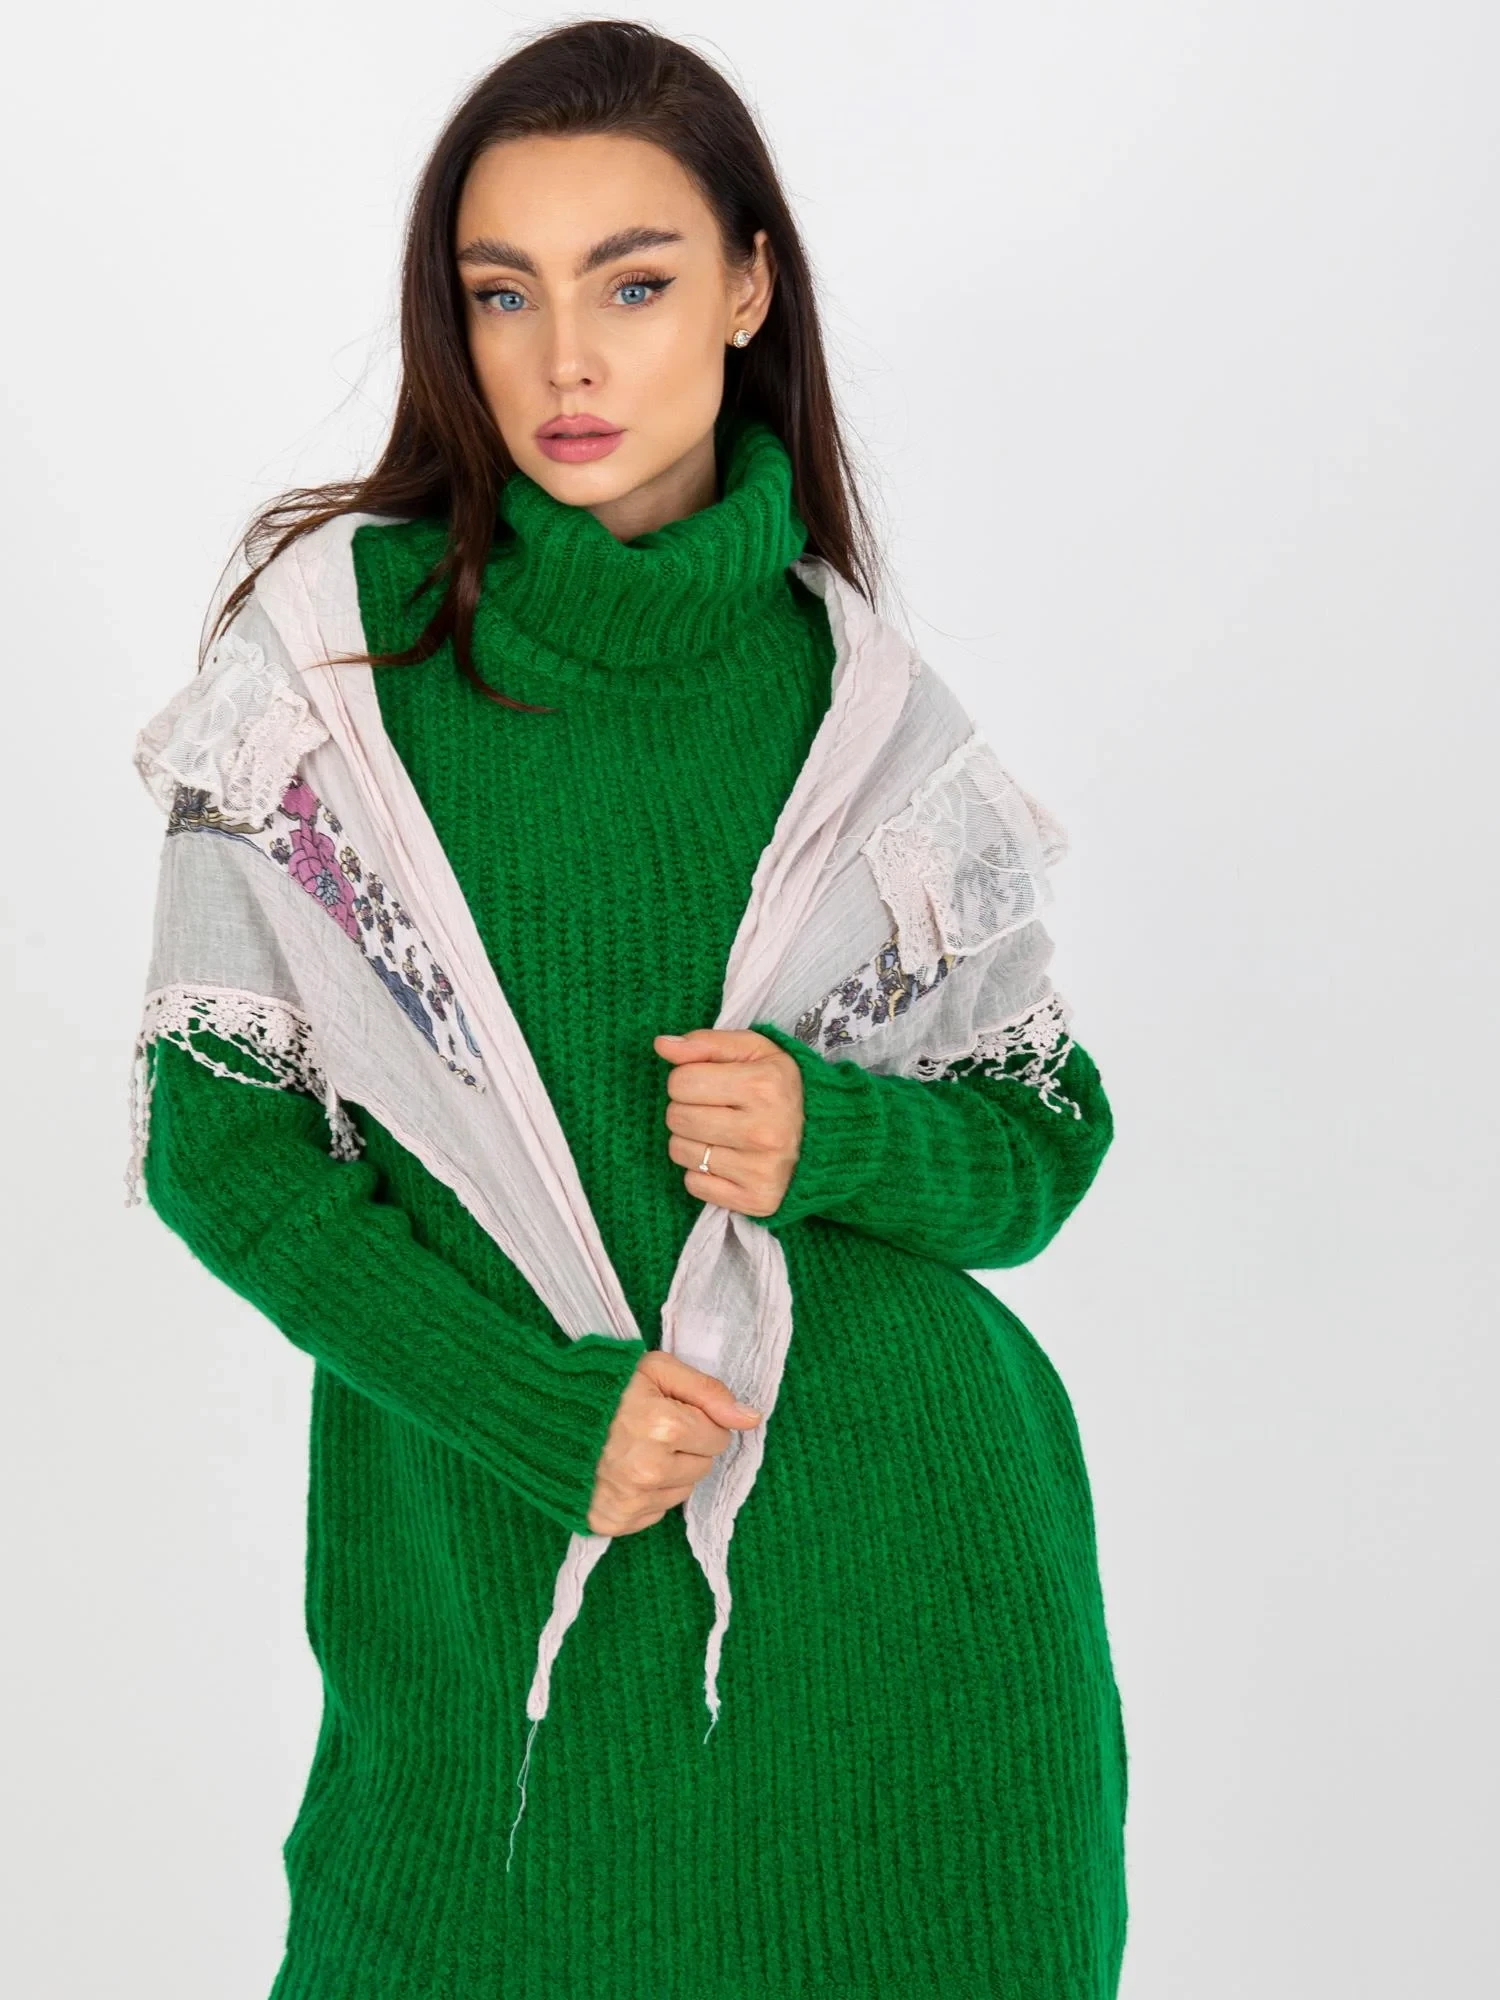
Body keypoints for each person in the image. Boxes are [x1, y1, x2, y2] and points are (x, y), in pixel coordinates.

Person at [137, 19, 1128, 1997]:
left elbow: (1044, 1135)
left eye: (636, 283)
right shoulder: (331, 683)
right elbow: (221, 1155)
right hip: (498, 1625)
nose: (564, 359)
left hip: (919, 1636)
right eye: (503, 293)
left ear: (750, 292)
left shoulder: (866, 715)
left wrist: (836, 1131)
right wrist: (537, 1412)